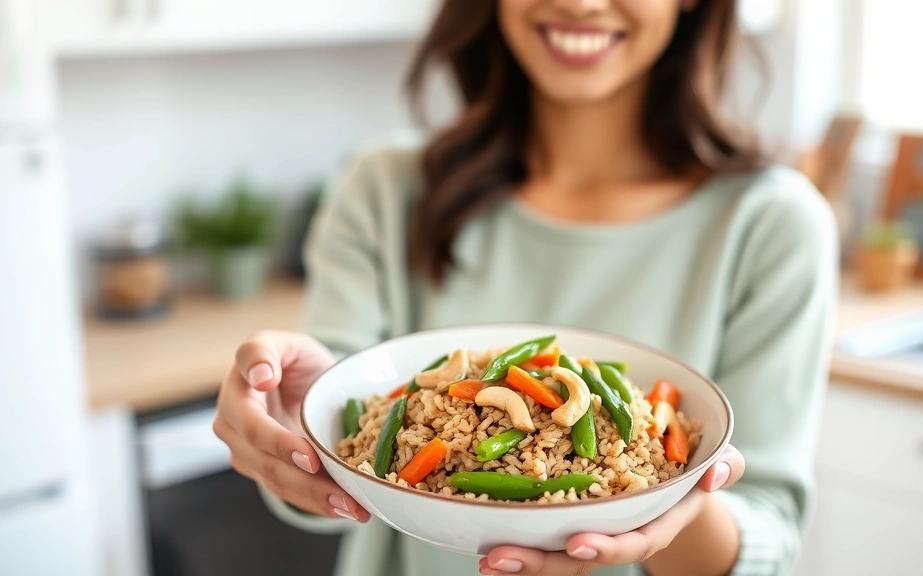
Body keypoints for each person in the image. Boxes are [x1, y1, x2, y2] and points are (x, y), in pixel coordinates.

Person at [212, 0, 837, 574]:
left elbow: (769, 539)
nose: (581, 4)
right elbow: (337, 454)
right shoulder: (383, 188)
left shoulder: (773, 225)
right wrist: (296, 427)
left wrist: (675, 508)